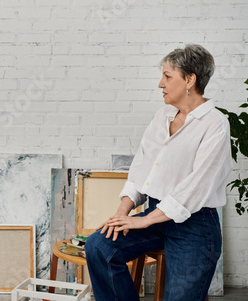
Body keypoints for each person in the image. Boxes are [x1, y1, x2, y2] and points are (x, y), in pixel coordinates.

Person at [84, 44, 232, 301]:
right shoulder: (162, 116)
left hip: (195, 226)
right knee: (99, 246)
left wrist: (143, 220)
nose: (160, 84)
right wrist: (122, 213)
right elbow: (141, 169)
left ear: (189, 79)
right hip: (156, 215)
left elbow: (196, 187)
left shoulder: (215, 124)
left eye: (167, 76)